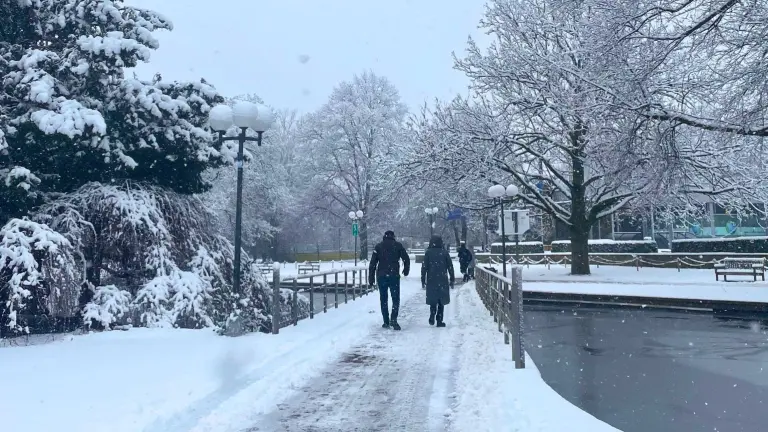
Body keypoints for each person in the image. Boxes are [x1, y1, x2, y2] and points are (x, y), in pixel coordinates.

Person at [368, 230, 410, 330]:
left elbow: (372, 264)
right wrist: (406, 269)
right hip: (393, 275)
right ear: (393, 237)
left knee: (383, 298)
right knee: (395, 298)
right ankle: (394, 320)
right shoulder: (398, 245)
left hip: (381, 276)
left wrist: (371, 278)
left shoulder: (379, 246)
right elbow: (406, 258)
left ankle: (386, 321)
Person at [421, 235, 454, 327]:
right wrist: (452, 279)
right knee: (441, 301)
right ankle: (439, 320)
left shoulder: (428, 253)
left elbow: (424, 267)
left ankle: (432, 314)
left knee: (433, 299)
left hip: (432, 279)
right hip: (442, 279)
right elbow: (450, 267)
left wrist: (423, 279)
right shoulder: (444, 252)